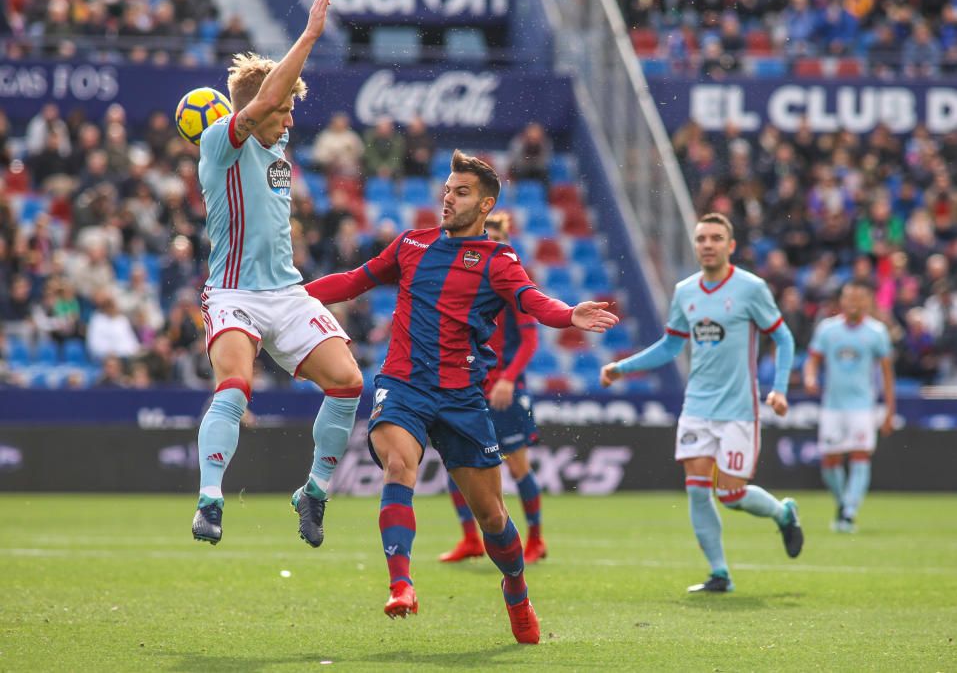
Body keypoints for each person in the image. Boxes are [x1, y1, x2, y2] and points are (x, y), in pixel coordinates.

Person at [304, 150, 618, 644]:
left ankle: (516, 589)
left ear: (486, 204)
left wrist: (567, 315)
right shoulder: (411, 244)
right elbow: (352, 282)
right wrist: (293, 296)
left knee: (492, 516)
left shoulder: (498, 260)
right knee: (398, 467)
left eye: (462, 192)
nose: (449, 198)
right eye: (448, 190)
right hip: (402, 384)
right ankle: (401, 584)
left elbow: (534, 302)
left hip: (461, 397)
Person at [190, 0, 365, 551]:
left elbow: (274, 108)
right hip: (233, 294)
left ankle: (313, 491)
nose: (289, 117)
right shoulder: (222, 143)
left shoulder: (277, 144)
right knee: (236, 385)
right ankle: (210, 500)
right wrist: (310, 35)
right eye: (283, 106)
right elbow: (265, 102)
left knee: (348, 383)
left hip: (286, 294)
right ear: (253, 107)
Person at [600, 212, 803, 594]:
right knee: (696, 488)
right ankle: (719, 573)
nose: (707, 244)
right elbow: (671, 346)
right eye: (701, 238)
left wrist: (779, 389)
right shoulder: (685, 291)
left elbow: (785, 339)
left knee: (730, 495)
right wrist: (622, 367)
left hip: (739, 409)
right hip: (697, 407)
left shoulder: (751, 288)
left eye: (714, 238)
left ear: (730, 246)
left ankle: (782, 512)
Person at [438, 212, 547, 566]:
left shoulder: (515, 282)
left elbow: (531, 340)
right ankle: (470, 538)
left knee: (517, 466)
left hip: (505, 389)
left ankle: (536, 539)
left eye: (497, 236)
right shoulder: (469, 281)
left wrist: (508, 379)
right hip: (470, 386)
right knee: (457, 463)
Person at [803, 282, 895, 533]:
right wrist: (810, 377)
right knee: (830, 462)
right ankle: (843, 503)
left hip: (862, 406)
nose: (854, 302)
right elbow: (813, 360)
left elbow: (887, 373)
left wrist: (889, 409)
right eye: (849, 297)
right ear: (842, 301)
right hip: (832, 405)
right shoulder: (828, 329)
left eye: (860, 298)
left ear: (868, 302)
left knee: (859, 455)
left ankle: (849, 512)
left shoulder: (876, 332)